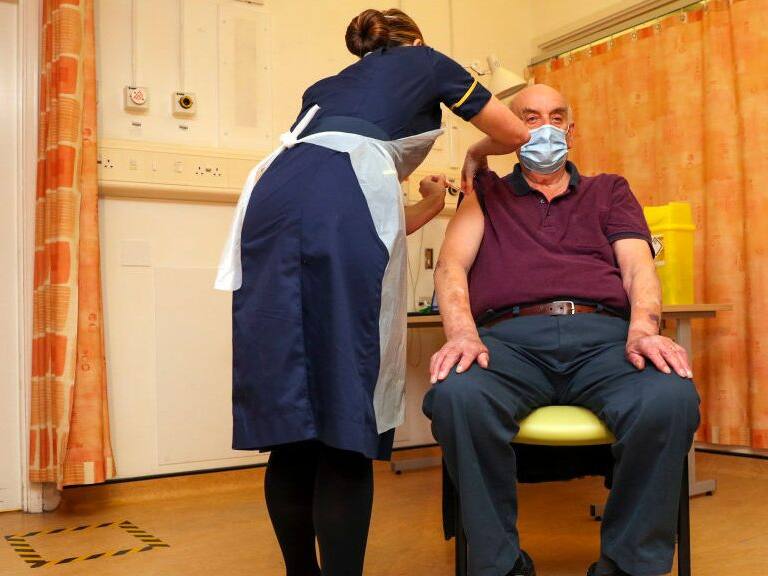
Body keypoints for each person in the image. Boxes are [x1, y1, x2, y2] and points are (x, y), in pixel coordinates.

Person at [214, 8, 529, 576]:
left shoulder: (325, 90)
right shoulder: (430, 62)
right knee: (344, 410)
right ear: (416, 41)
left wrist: (431, 202)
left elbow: (360, 218)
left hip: (270, 201)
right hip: (338, 202)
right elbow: (515, 132)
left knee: (295, 408)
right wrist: (478, 155)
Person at [422, 84, 700, 576]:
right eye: (529, 117)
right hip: (509, 344)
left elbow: (638, 268)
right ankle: (501, 565)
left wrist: (644, 330)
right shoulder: (486, 193)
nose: (544, 128)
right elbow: (450, 268)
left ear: (571, 131)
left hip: (604, 340)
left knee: (670, 397)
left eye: (556, 117)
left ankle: (627, 566)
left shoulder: (609, 190)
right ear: (509, 132)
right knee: (457, 397)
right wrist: (463, 334)